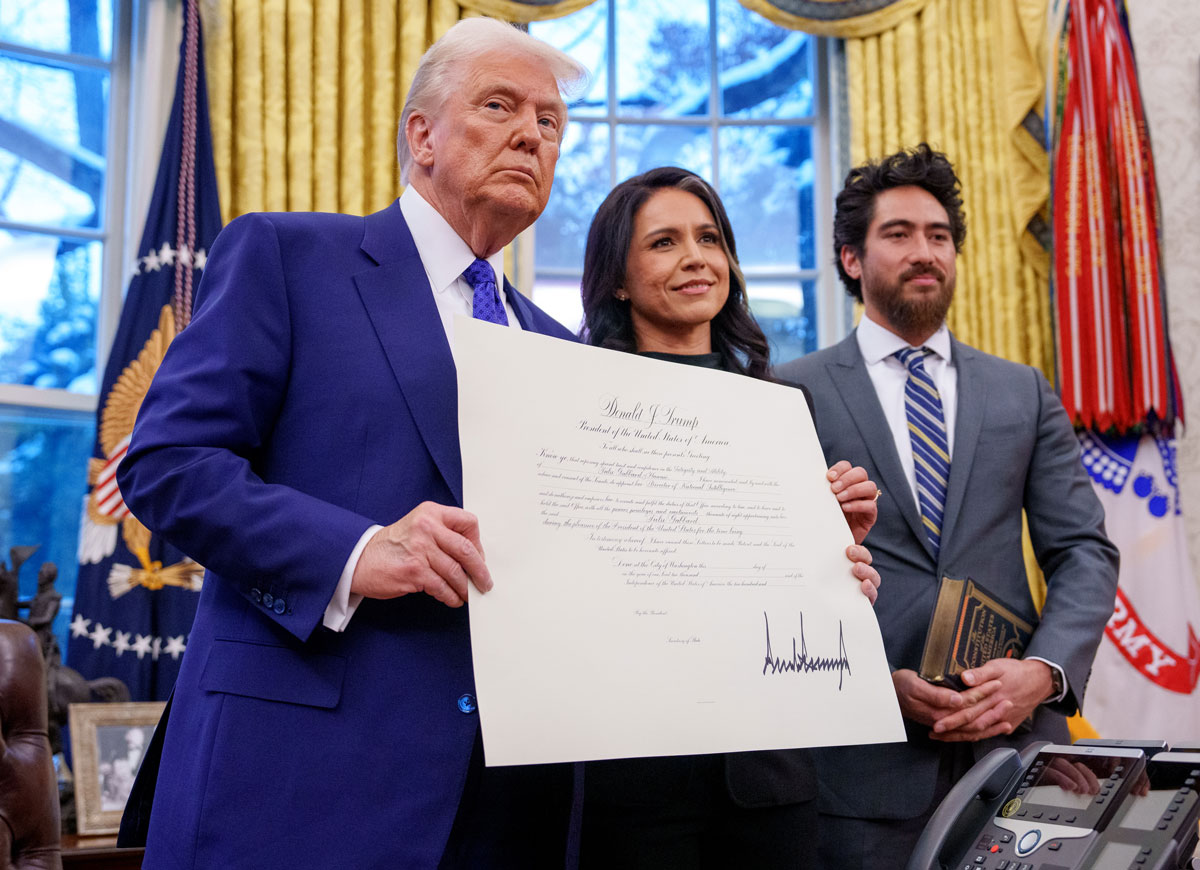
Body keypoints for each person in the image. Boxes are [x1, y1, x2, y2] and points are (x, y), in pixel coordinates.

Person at [116, 18, 588, 868]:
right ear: (423, 136)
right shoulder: (291, 256)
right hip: (297, 780)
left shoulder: (563, 349)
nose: (531, 133)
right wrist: (356, 551)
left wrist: (798, 557)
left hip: (509, 801)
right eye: (500, 105)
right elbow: (167, 465)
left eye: (550, 123)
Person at [775, 144, 1120, 866]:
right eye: (897, 234)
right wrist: (873, 684)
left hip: (1021, 755)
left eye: (938, 235)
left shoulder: (1022, 391)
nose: (924, 251)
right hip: (861, 770)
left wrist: (1045, 673)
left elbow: (1083, 550)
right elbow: (775, 581)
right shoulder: (790, 393)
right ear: (850, 259)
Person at [577, 165, 883, 869]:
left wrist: (840, 568)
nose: (696, 258)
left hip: (768, 782)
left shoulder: (784, 408)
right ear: (617, 279)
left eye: (710, 238)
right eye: (663, 243)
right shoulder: (578, 404)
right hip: (629, 778)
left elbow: (806, 601)